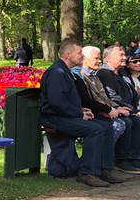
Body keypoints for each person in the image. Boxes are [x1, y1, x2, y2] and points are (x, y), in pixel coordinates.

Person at [40, 40, 116, 187]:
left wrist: (80, 110)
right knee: (95, 129)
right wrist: (78, 114)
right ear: (68, 55)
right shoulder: (57, 72)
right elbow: (57, 103)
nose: (82, 56)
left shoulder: (65, 72)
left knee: (106, 127)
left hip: (64, 115)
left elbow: (64, 101)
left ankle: (103, 169)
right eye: (79, 53)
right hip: (53, 118)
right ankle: (87, 173)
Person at [93, 45, 140, 173]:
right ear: (109, 58)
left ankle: (134, 157)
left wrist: (135, 109)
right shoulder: (104, 73)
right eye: (121, 55)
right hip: (111, 109)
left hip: (126, 108)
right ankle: (121, 159)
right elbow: (111, 96)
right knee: (129, 121)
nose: (125, 58)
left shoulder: (122, 74)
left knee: (136, 121)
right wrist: (132, 111)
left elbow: (132, 94)